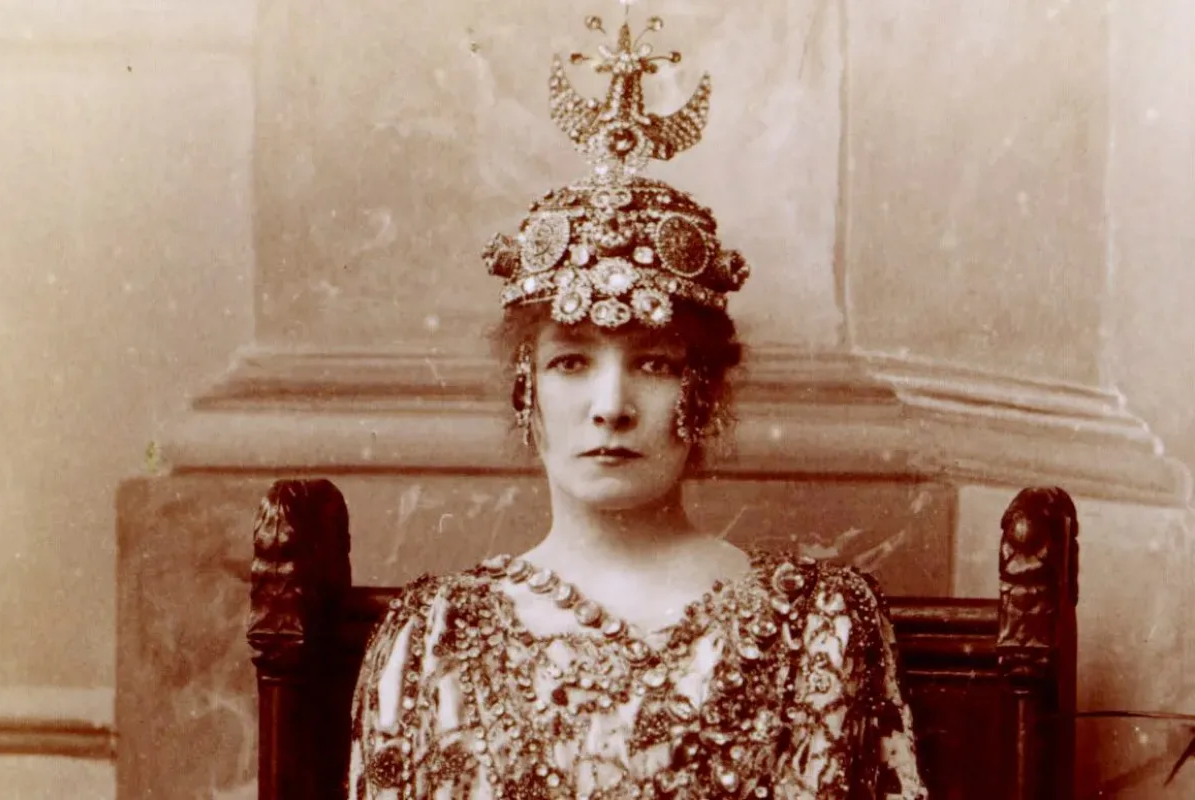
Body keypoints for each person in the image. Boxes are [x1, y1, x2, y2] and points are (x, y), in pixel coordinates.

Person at [347, 13, 927, 799]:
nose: (610, 406)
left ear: (705, 391)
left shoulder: (813, 632)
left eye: (653, 364)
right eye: (572, 362)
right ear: (527, 389)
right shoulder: (432, 641)